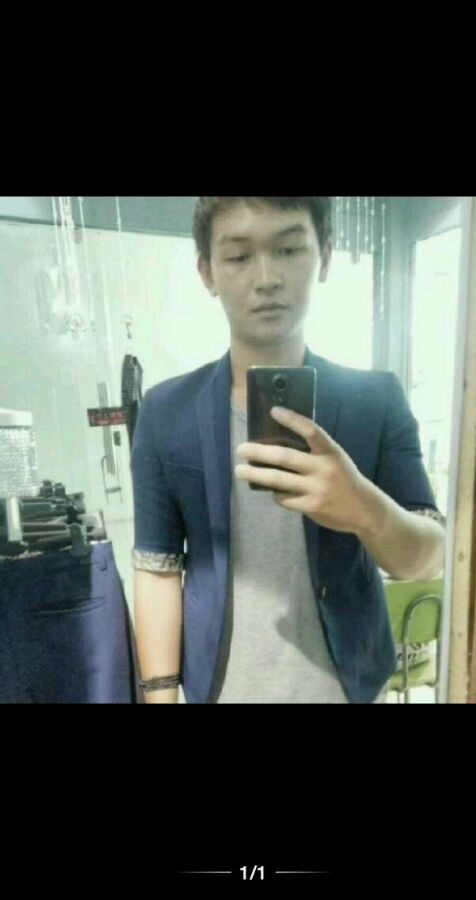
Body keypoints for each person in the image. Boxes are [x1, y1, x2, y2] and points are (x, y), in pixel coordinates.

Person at [131, 197, 445, 704]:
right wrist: (161, 697)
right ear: (207, 272)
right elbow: (157, 567)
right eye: (239, 256)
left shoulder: (375, 400)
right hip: (221, 691)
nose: (267, 279)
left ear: (324, 257)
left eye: (289, 249)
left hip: (347, 690)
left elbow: (427, 559)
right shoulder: (167, 411)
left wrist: (365, 509)